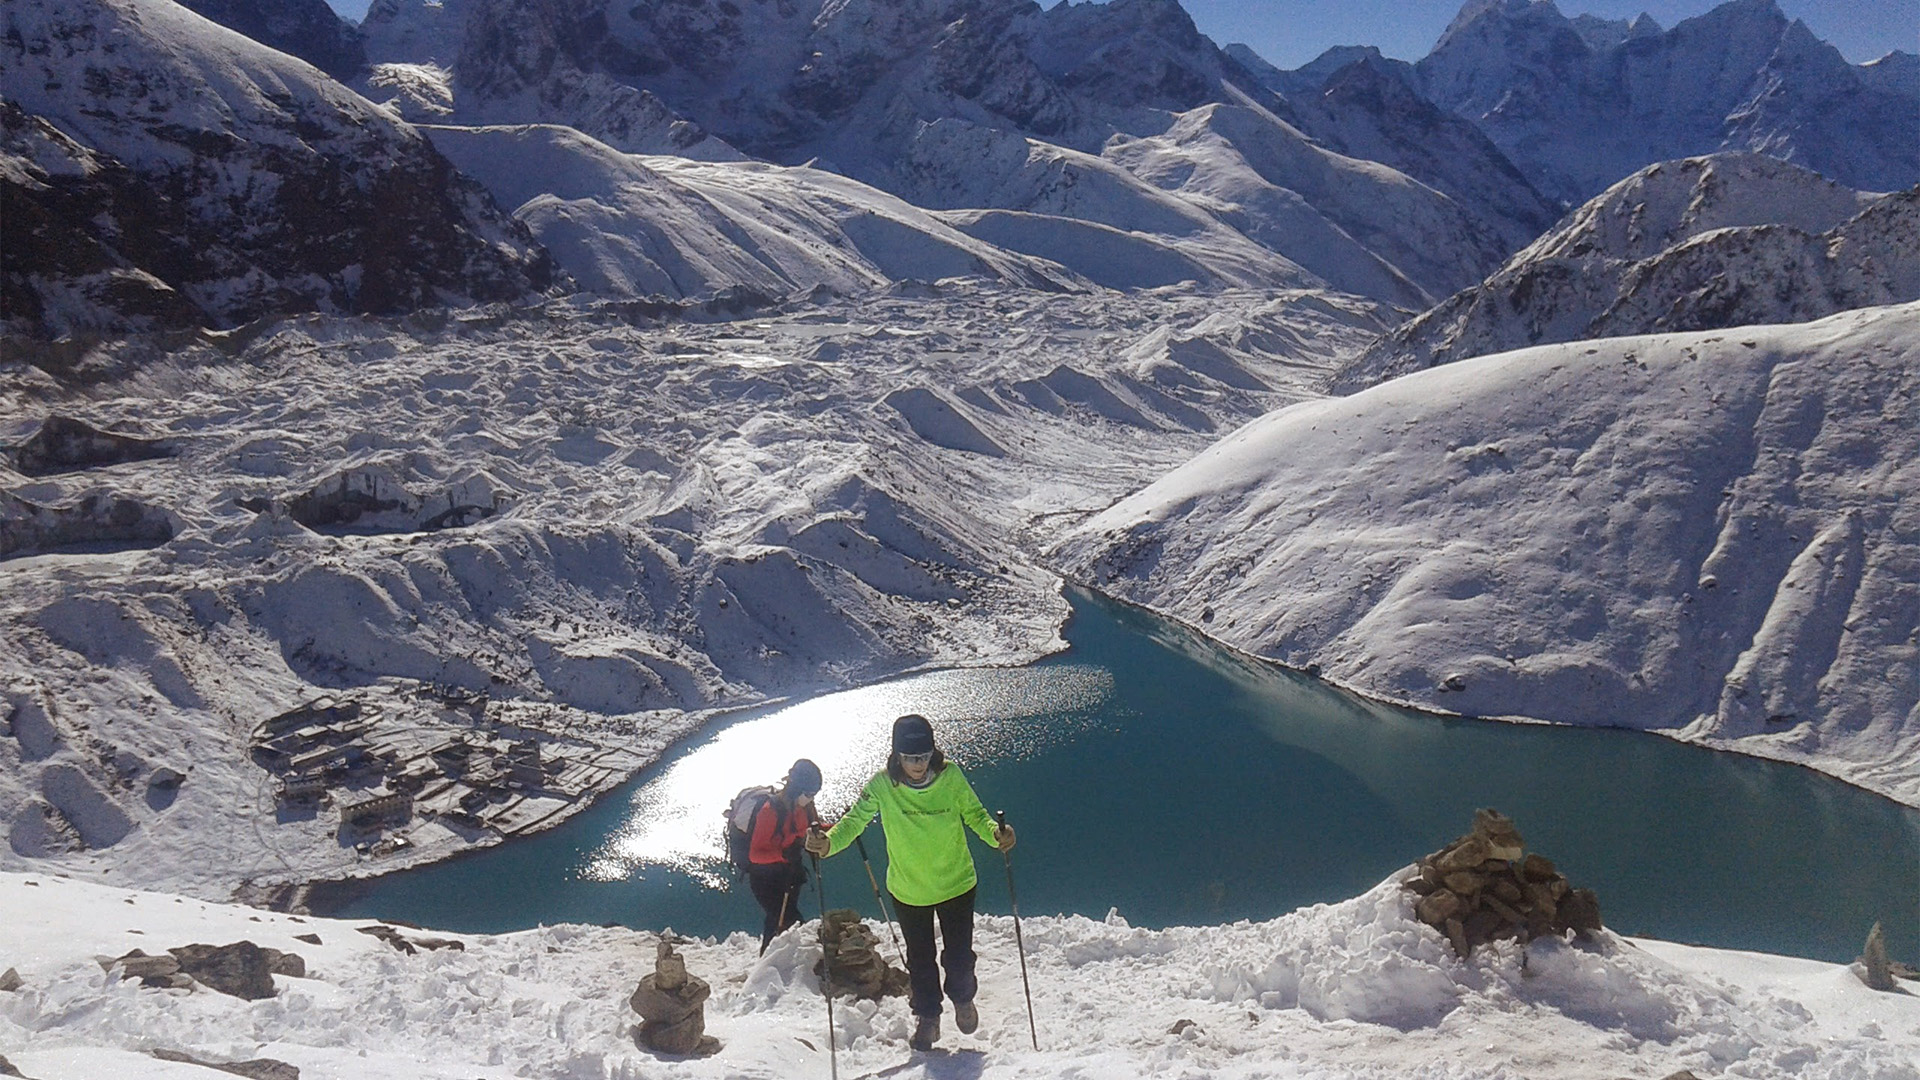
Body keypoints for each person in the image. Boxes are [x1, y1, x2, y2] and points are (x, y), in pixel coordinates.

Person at [806, 714, 1015, 1051]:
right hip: (909, 889)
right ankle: (928, 1016)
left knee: (959, 956)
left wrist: (996, 835)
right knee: (920, 958)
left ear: (934, 752)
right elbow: (853, 822)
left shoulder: (951, 777)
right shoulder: (881, 785)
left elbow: (976, 815)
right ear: (896, 755)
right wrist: (827, 844)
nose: (918, 765)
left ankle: (963, 998)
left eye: (924, 756)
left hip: (957, 883)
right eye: (910, 757)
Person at [748, 759, 823, 955]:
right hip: (765, 880)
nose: (811, 798)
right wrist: (782, 854)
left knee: (775, 921)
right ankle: (775, 966)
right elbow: (755, 854)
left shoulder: (804, 807)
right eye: (808, 794)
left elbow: (814, 828)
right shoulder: (769, 811)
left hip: (790, 874)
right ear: (796, 789)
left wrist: (843, 826)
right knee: (791, 921)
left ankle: (765, 962)